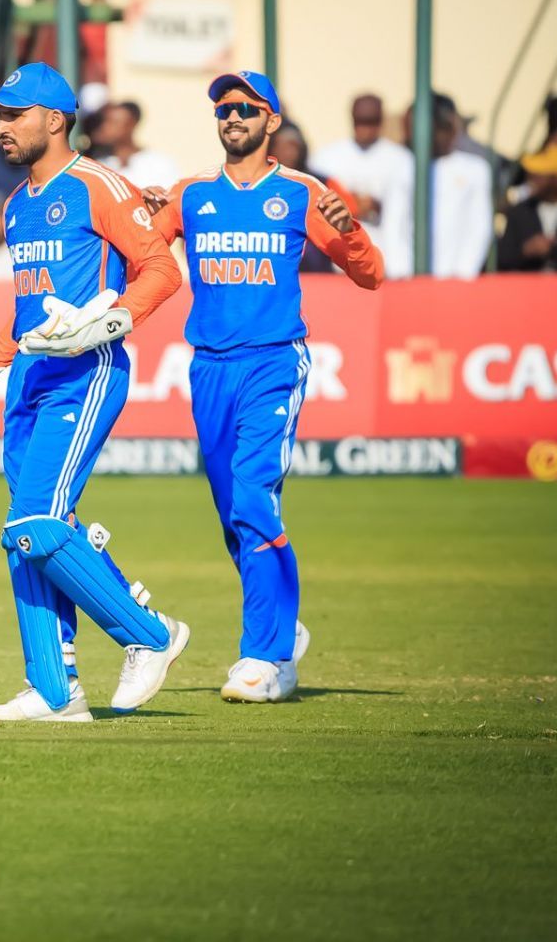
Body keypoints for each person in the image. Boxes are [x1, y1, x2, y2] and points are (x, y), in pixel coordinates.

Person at [0, 62, 187, 721]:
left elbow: (160, 269)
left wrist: (115, 318)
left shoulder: (97, 183)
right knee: (26, 534)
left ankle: (150, 634)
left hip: (88, 371)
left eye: (14, 114)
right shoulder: (15, 206)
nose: (2, 127)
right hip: (31, 381)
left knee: (33, 524)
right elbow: (30, 319)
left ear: (56, 120)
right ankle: (52, 688)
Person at [137, 70, 380, 702]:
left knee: (253, 499)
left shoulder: (303, 193)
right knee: (233, 516)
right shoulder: (191, 195)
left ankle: (263, 658)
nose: (232, 117)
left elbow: (371, 276)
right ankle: (283, 628)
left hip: (273, 361)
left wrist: (348, 228)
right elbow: (141, 255)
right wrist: (139, 210)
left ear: (272, 121)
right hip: (208, 367)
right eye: (223, 109)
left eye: (245, 108)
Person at [308, 91, 415, 278]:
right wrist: (352, 205)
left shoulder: (402, 159)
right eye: (360, 121)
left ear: (381, 120)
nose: (365, 128)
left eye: (371, 121)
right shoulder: (326, 157)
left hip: (391, 258)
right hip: (339, 262)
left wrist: (377, 205)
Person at [408, 94, 494, 279]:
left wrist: (463, 272)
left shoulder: (475, 168)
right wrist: (403, 273)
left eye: (445, 128)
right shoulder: (405, 168)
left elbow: (480, 226)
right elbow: (398, 225)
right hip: (412, 279)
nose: (441, 135)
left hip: (457, 279)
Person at [86, 100, 178, 192]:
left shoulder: (160, 163)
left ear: (131, 125)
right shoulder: (99, 164)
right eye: (104, 122)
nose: (105, 127)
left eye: (113, 122)